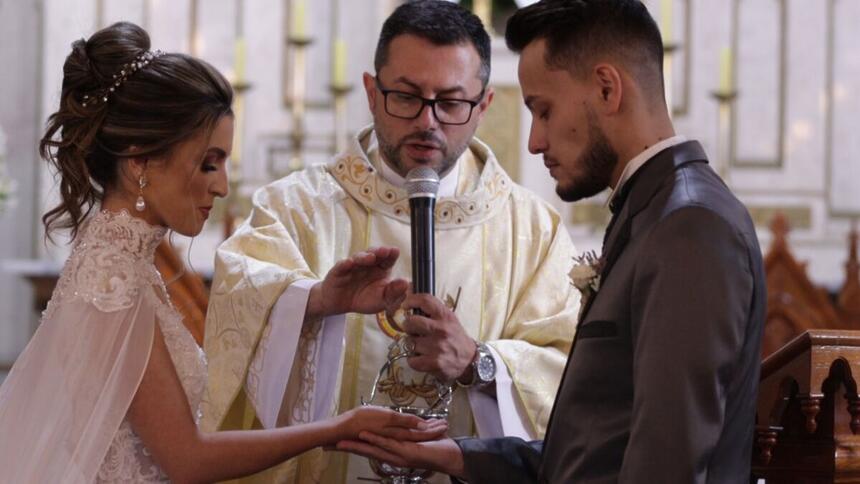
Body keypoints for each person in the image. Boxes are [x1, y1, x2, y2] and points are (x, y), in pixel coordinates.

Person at [338, 1, 767, 483]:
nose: (534, 141)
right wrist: (454, 456)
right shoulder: (652, 214)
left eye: (543, 110)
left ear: (607, 89)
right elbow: (589, 454)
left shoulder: (690, 226)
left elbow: (668, 463)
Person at [0, 21, 444, 483]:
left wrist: (320, 303)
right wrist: (334, 429)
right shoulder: (115, 279)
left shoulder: (119, 262)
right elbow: (187, 459)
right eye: (209, 163)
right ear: (139, 162)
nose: (223, 185)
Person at [202, 1, 580, 482]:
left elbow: (572, 372)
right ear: (371, 92)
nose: (428, 122)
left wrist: (478, 363)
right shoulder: (293, 208)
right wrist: (314, 301)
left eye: (450, 102)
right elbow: (235, 311)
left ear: (484, 105)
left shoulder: (533, 231)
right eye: (406, 96)